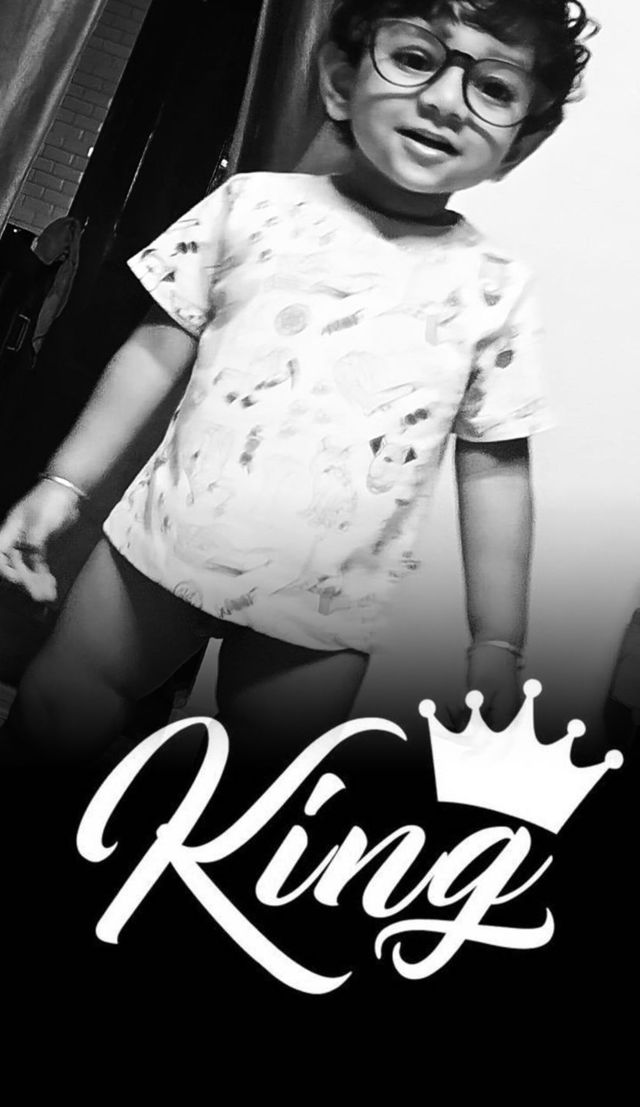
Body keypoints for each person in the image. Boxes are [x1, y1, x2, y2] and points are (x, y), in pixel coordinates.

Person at [0, 0, 596, 775]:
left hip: (327, 606)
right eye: (416, 59)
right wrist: (63, 485)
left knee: (266, 783)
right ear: (341, 82)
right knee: (55, 710)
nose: (447, 100)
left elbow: (497, 469)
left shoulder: (496, 290)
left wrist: (497, 643)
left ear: (521, 144)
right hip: (160, 547)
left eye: (494, 88)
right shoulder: (250, 206)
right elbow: (152, 355)